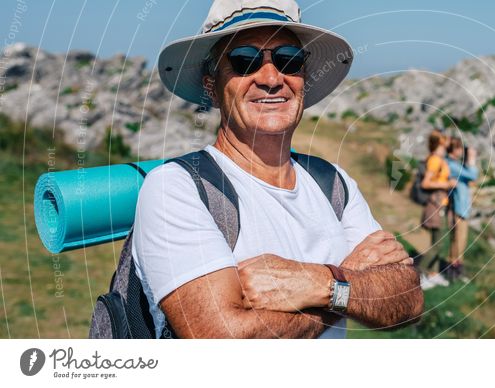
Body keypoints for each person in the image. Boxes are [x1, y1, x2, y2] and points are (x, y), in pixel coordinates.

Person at [132, 0, 423, 338]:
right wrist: (350, 280)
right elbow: (223, 342)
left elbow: (407, 300)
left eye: (289, 60)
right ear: (212, 85)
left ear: (303, 79)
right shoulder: (176, 190)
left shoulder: (333, 184)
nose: (271, 78)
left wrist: (320, 283)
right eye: (245, 61)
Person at [418, 130, 457, 290]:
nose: (448, 140)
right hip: (436, 204)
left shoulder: (439, 159)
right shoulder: (435, 160)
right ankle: (419, 275)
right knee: (439, 244)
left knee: (437, 241)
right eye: (445, 138)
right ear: (441, 142)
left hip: (440, 203)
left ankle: (432, 275)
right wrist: (446, 184)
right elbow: (425, 183)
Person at [445, 137, 478, 280]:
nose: (461, 151)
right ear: (454, 149)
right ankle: (454, 271)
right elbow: (473, 175)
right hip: (458, 208)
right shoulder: (452, 165)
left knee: (460, 240)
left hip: (462, 207)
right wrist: (471, 158)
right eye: (459, 148)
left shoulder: (456, 165)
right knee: (458, 239)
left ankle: (456, 269)